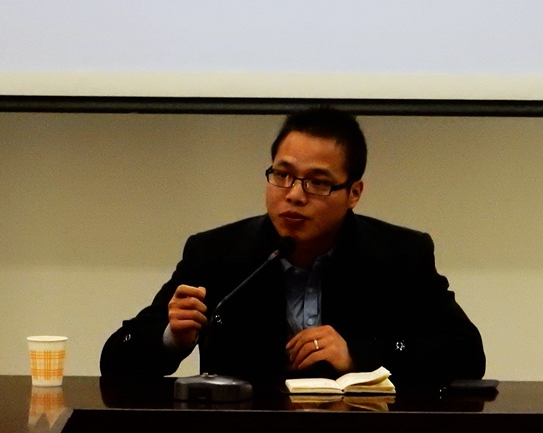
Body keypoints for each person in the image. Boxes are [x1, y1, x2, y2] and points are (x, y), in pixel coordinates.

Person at [100, 107, 485, 387]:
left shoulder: (399, 255)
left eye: (318, 182)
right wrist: (173, 337)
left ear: (354, 193)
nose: (294, 195)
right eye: (282, 175)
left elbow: (466, 353)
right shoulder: (217, 254)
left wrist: (358, 355)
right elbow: (115, 360)